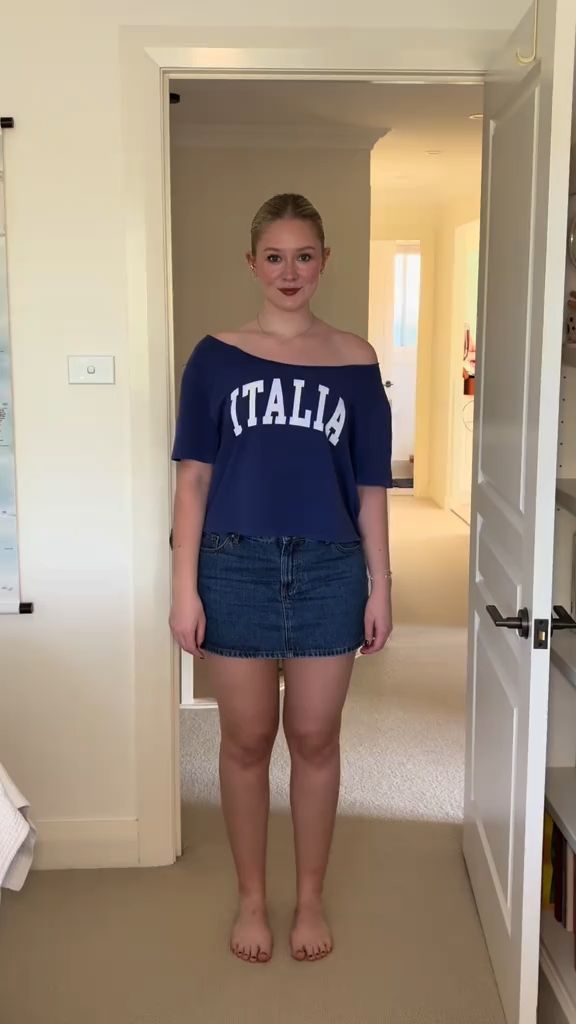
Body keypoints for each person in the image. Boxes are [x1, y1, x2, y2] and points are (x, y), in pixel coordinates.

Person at [170, 193, 393, 965]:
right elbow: (193, 480)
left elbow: (370, 487)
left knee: (316, 737)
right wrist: (184, 586)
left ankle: (309, 898)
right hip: (233, 566)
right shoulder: (215, 357)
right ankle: (252, 899)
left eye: (304, 256)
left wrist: (382, 584)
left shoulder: (358, 360)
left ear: (324, 261)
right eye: (274, 257)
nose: (289, 272)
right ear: (252, 263)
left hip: (331, 569)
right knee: (246, 739)